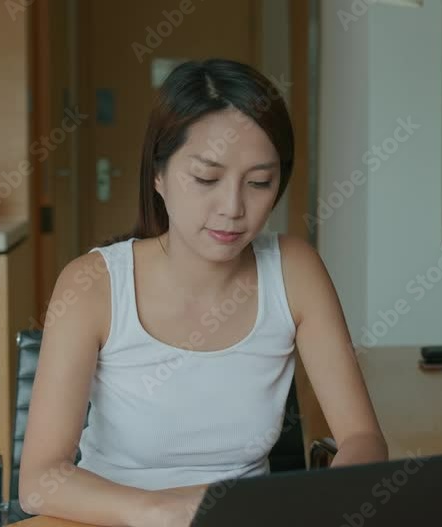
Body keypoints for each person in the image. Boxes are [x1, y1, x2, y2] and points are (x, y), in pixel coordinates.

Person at [19, 58, 387, 527]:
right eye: (207, 179)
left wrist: (334, 499)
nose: (233, 208)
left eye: (259, 183)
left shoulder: (295, 270)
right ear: (159, 175)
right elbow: (39, 482)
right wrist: (161, 511)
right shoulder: (92, 284)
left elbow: (362, 438)